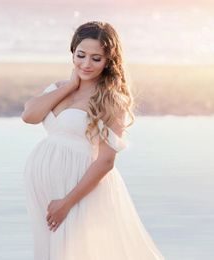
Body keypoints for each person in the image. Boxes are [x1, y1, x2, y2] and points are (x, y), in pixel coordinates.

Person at [21, 21, 165, 260]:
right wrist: (70, 86)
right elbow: (29, 116)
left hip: (78, 191)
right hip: (46, 193)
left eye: (96, 58)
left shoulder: (111, 100)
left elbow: (106, 161)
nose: (86, 64)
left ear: (109, 61)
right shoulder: (59, 88)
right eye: (81, 55)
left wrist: (67, 202)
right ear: (73, 53)